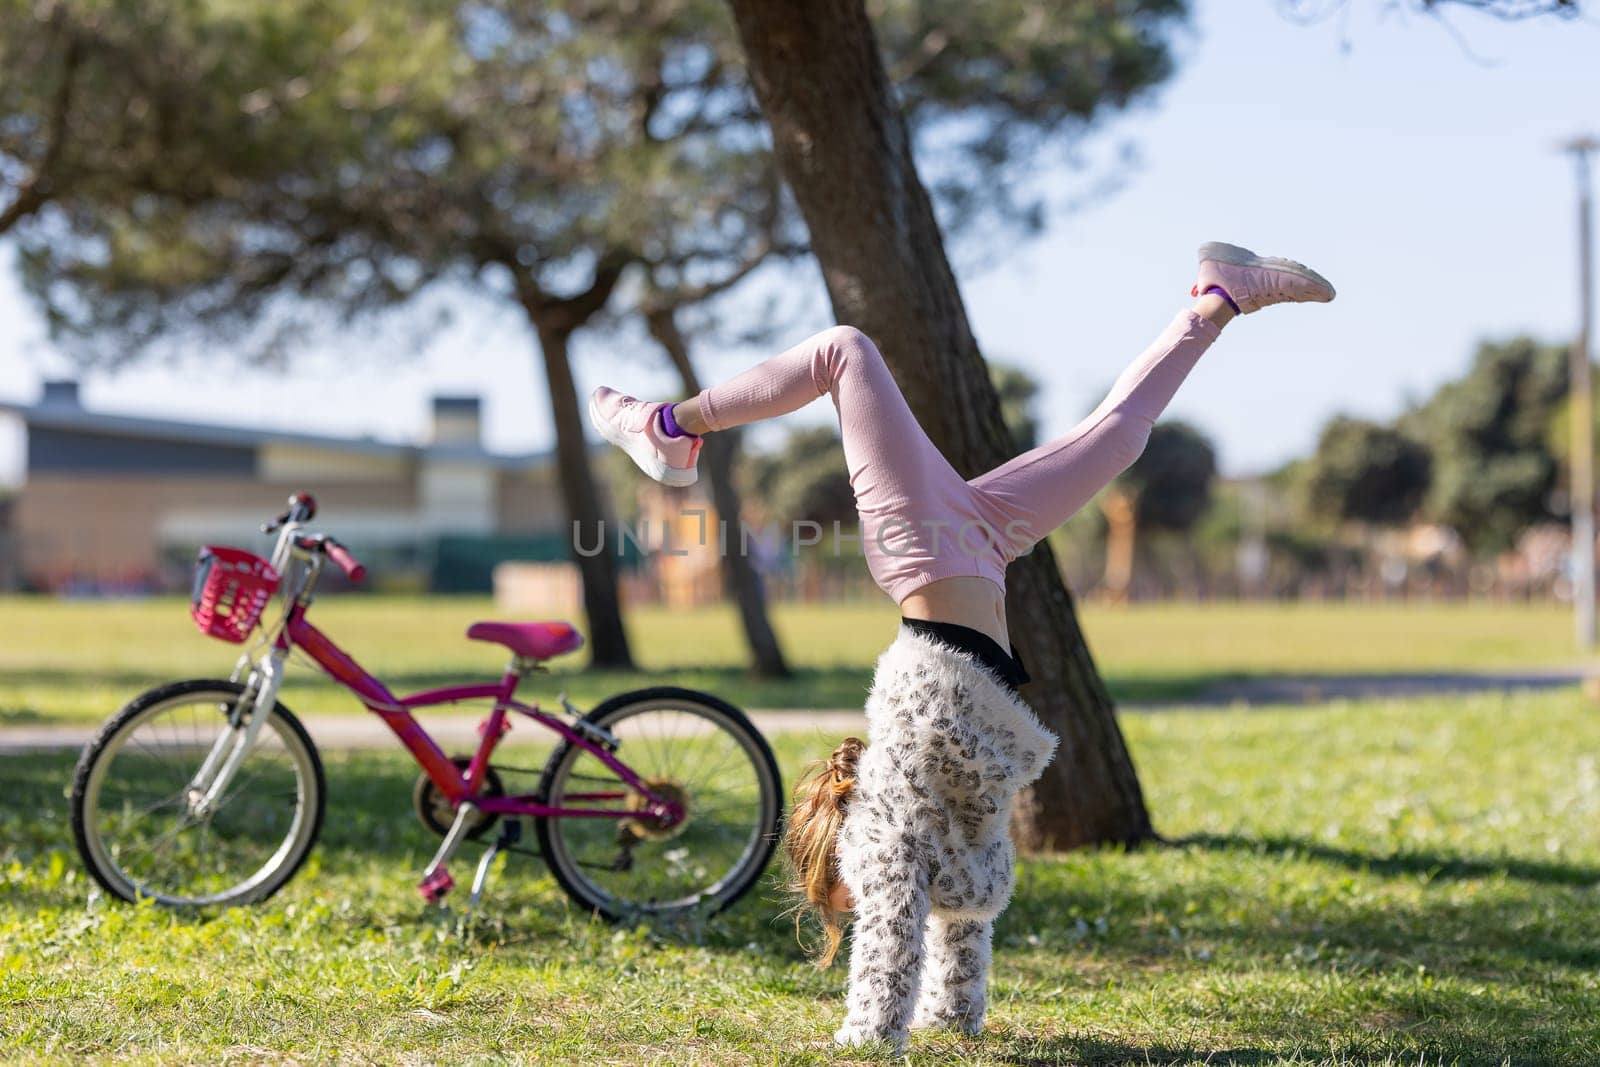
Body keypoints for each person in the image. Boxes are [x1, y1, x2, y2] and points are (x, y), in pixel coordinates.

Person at [589, 242, 1336, 1049]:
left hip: (925, 550)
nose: (855, 909)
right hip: (982, 542)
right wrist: (954, 1014)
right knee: (1120, 437)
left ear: (838, 861)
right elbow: (968, 909)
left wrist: (870, 1036)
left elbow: (886, 945)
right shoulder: (952, 841)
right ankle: (1217, 296)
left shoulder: (884, 827)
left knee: (845, 350)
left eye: (839, 900)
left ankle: (665, 426)